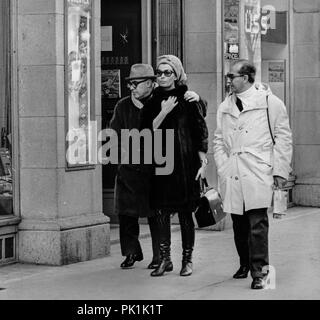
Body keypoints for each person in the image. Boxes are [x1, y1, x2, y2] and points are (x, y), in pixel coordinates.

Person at [110, 63, 204, 270]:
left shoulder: (159, 100)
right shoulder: (123, 106)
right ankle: (131, 252)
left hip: (157, 167)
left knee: (155, 213)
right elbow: (114, 134)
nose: (132, 87)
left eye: (136, 83)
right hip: (130, 166)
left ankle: (159, 256)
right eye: (130, 84)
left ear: (150, 84)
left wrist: (197, 97)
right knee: (126, 213)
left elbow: (194, 117)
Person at [213, 60, 293, 290]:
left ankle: (260, 272)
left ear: (246, 77)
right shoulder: (225, 106)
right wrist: (222, 165)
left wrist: (280, 171)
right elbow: (219, 139)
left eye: (232, 77)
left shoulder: (270, 103)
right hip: (233, 170)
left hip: (258, 170)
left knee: (257, 222)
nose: (229, 81)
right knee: (238, 223)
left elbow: (283, 138)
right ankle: (245, 263)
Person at [140, 55, 209, 277]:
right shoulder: (151, 101)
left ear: (176, 74)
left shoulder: (187, 98)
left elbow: (200, 130)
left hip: (185, 164)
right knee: (161, 213)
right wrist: (164, 111)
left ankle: (187, 260)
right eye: (158, 73)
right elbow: (144, 132)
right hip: (160, 164)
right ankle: (165, 259)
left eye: (167, 72)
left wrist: (203, 160)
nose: (162, 77)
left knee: (185, 214)